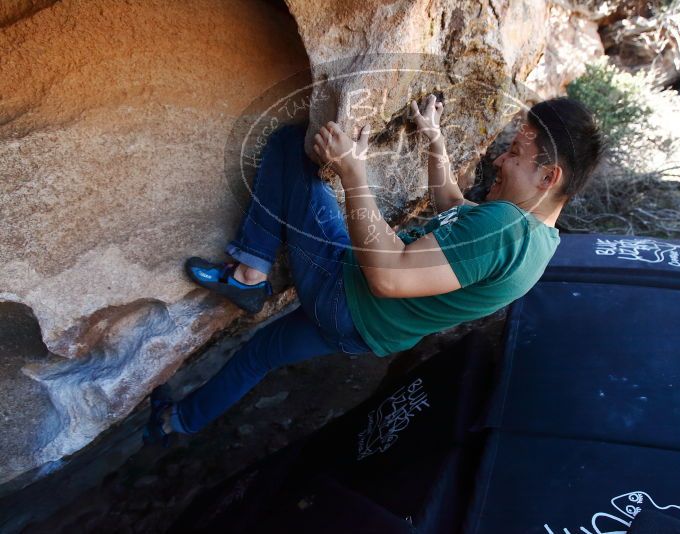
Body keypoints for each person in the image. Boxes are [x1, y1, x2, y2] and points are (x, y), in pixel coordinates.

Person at [143, 94, 603, 446]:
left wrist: (353, 173)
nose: (500, 159)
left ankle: (249, 273)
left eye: (516, 154)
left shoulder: (505, 229)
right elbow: (455, 211)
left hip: (347, 293)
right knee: (259, 354)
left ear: (549, 177)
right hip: (365, 332)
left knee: (291, 147)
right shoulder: (537, 237)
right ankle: (175, 422)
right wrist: (435, 140)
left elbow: (390, 276)